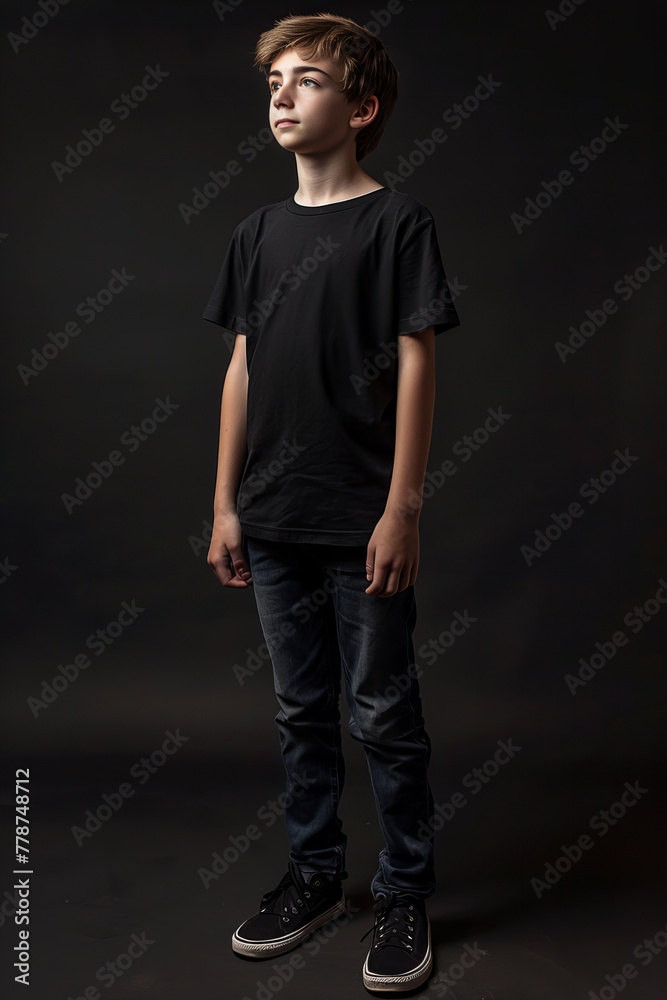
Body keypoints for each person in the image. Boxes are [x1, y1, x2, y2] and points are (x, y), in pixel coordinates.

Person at [203, 12, 460, 993]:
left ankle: (404, 889)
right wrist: (225, 502)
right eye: (274, 79)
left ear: (360, 108)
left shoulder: (399, 223)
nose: (280, 93)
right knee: (299, 709)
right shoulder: (255, 234)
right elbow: (240, 368)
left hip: (361, 520)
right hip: (269, 521)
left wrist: (402, 506)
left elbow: (415, 359)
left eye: (305, 80)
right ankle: (314, 873)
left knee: (382, 709)